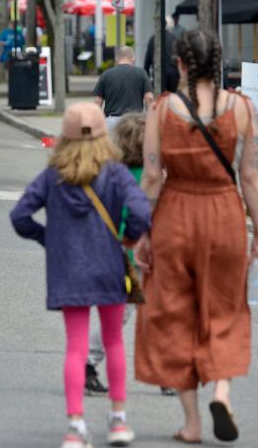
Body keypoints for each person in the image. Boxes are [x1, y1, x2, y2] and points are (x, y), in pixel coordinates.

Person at [135, 28, 258, 444]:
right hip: (224, 214)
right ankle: (223, 393)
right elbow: (249, 175)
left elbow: (153, 176)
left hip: (175, 215)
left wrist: (141, 231)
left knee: (174, 312)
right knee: (226, 308)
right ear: (218, 61)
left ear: (179, 63)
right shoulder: (242, 108)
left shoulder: (163, 109)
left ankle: (192, 423)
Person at [10, 102, 150, 448]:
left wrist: (48, 239)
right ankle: (118, 420)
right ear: (104, 133)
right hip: (109, 266)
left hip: (68, 268)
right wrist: (129, 237)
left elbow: (20, 217)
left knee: (76, 345)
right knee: (114, 340)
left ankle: (75, 426)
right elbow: (142, 212)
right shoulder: (115, 172)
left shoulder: (53, 174)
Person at [85, 113, 177, 398]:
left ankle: (89, 363)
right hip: (143, 250)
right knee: (153, 313)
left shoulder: (112, 174)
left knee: (122, 313)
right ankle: (164, 372)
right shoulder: (153, 179)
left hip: (118, 248)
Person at [94, 46, 155, 129]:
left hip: (112, 122)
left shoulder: (106, 74)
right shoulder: (141, 73)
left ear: (117, 59)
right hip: (134, 122)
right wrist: (150, 119)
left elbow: (97, 102)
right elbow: (149, 98)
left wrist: (99, 122)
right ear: (133, 59)